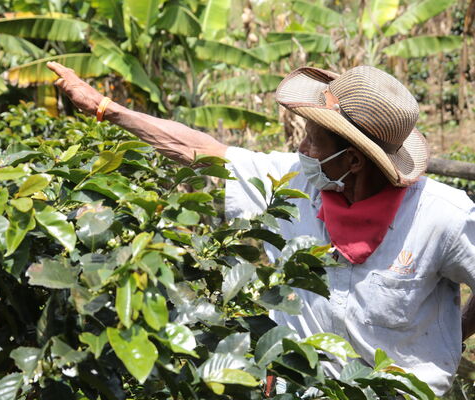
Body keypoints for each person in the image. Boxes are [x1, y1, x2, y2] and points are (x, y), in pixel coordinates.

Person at [46, 61, 475, 395]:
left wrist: (453, 336)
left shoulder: (441, 217)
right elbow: (199, 149)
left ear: (354, 160)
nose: (301, 148)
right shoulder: (295, 182)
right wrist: (106, 109)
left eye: (313, 140)